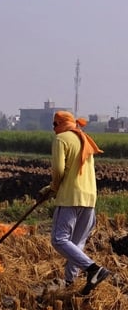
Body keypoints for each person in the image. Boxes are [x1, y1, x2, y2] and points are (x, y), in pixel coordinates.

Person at [38, 111, 110, 295]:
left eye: (54, 125)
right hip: (89, 198)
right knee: (76, 243)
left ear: (59, 123)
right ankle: (70, 282)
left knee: (59, 239)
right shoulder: (83, 138)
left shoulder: (61, 139)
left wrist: (52, 189)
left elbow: (59, 170)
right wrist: (50, 189)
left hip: (70, 197)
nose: (54, 129)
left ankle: (94, 269)